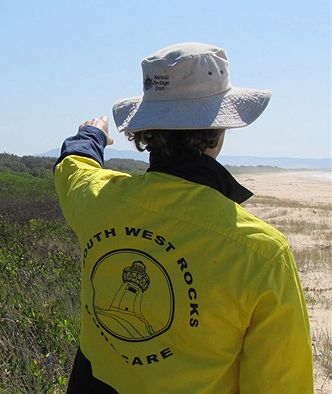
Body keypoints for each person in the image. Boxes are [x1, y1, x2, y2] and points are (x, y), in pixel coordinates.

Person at [54, 42, 313, 393]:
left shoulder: (98, 199)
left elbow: (72, 169)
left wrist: (91, 136)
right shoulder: (261, 253)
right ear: (220, 131)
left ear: (145, 133)